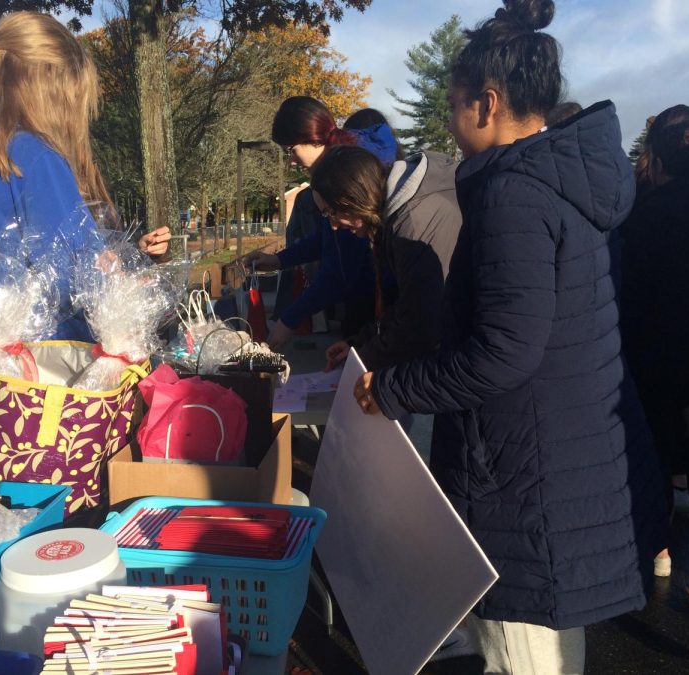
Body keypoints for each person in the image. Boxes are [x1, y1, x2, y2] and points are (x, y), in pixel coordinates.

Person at [351, 1, 666, 672]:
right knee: (549, 639)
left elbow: (505, 350)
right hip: (569, 446)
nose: (449, 118)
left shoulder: (513, 193)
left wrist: (397, 386)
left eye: (454, 102)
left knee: (521, 646)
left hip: (526, 468)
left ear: (487, 104)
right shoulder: (565, 177)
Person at [0, 11, 169, 349]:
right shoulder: (32, 156)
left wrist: (129, 252)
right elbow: (77, 282)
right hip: (43, 371)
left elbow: (21, 250)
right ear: (48, 86)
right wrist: (129, 285)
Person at [621, 107, 689, 578]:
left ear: (658, 160)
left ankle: (660, 551)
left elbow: (631, 291)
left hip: (654, 352)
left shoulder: (645, 215)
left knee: (659, 450)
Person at [243, 98, 397, 351]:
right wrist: (280, 260)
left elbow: (340, 271)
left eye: (291, 149)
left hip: (377, 304)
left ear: (314, 139)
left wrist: (289, 319)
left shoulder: (345, 178)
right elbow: (329, 239)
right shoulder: (336, 169)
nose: (290, 161)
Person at [312, 145, 461, 372]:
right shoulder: (399, 214)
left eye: (332, 211)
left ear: (354, 196)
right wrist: (358, 344)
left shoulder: (412, 224)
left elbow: (419, 325)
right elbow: (408, 305)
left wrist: (363, 362)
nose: (333, 225)